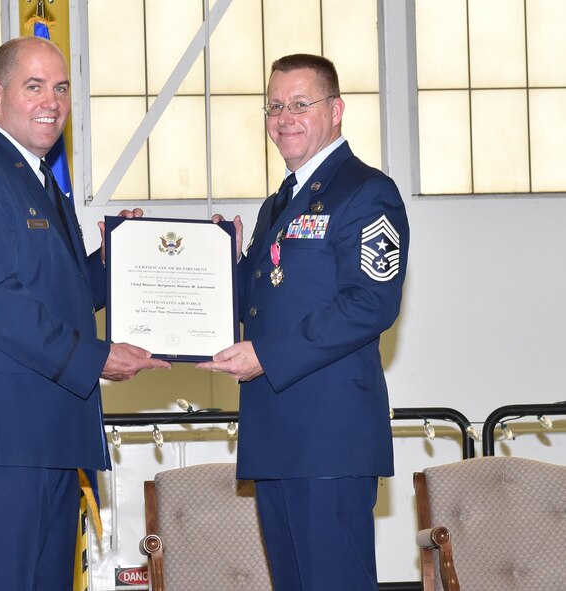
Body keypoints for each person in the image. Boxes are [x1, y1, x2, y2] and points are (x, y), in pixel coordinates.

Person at [0, 36, 171, 590]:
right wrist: (98, 357)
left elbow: (64, 290)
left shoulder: (38, 183)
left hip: (48, 436)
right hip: (1, 445)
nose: (51, 102)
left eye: (60, 88)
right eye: (33, 87)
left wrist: (121, 258)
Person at [198, 54, 409, 590]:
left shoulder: (367, 192)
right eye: (274, 107)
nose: (284, 117)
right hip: (276, 436)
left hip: (328, 440)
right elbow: (261, 295)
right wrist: (213, 260)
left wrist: (266, 355)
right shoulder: (279, 204)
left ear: (335, 110)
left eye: (299, 104)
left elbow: (370, 304)